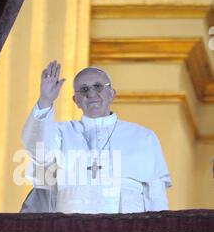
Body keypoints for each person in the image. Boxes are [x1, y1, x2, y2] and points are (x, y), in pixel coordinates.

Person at [21, 60, 172, 213]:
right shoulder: (60, 132)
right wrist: (45, 100)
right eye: (84, 89)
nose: (91, 93)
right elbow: (37, 148)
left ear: (112, 94)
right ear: (76, 100)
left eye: (98, 87)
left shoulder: (143, 137)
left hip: (127, 230)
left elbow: (155, 195)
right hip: (70, 229)